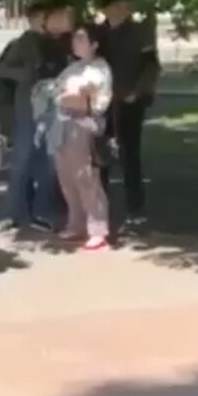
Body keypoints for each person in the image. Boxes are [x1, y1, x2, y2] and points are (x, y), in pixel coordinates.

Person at [46, 23, 113, 250]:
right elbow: (54, 91)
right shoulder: (72, 67)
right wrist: (63, 95)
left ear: (94, 44)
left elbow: (77, 96)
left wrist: (64, 96)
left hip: (83, 127)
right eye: (75, 38)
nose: (76, 42)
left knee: (86, 179)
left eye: (82, 39)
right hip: (62, 126)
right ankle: (76, 223)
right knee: (66, 178)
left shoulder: (99, 69)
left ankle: (98, 228)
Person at [96, 0, 161, 222]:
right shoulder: (97, 34)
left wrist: (139, 91)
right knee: (99, 154)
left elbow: (151, 66)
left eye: (126, 6)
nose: (123, 11)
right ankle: (99, 205)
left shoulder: (139, 33)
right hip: (100, 103)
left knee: (130, 154)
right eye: (118, 6)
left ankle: (135, 206)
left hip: (130, 101)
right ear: (106, 9)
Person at [0, 1, 45, 230]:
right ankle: (18, 211)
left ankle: (39, 210)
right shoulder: (22, 43)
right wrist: (24, 75)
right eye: (41, 18)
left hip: (47, 106)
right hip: (27, 106)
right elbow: (3, 69)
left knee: (44, 159)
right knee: (24, 158)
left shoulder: (55, 42)